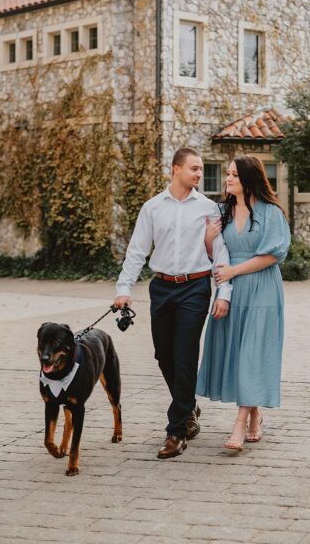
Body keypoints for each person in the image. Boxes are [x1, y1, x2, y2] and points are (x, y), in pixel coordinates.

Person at [114, 147, 232, 459]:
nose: (199, 173)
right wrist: (123, 289)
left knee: (184, 356)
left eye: (201, 168)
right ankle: (187, 403)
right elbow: (137, 252)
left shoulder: (209, 209)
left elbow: (220, 255)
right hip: (162, 288)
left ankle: (176, 430)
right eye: (194, 168)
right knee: (163, 353)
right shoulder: (152, 208)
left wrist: (223, 293)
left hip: (195, 287)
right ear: (175, 169)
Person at [197, 155, 290, 450]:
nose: (228, 179)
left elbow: (273, 255)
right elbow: (216, 255)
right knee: (237, 354)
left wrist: (234, 271)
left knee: (251, 354)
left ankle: (238, 425)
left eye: (234, 175)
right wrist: (209, 240)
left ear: (249, 178)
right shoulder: (222, 211)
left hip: (261, 288)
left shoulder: (271, 212)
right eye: (227, 174)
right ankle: (254, 413)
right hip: (231, 291)